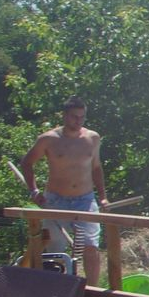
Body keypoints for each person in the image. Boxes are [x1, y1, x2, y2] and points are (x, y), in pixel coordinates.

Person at [20, 96, 109, 283]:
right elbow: (27, 163)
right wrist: (34, 191)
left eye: (82, 117)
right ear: (64, 116)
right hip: (55, 200)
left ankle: (94, 295)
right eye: (74, 117)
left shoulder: (92, 138)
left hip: (85, 200)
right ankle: (57, 291)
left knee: (91, 247)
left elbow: (96, 168)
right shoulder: (48, 139)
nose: (78, 121)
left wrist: (102, 197)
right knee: (55, 250)